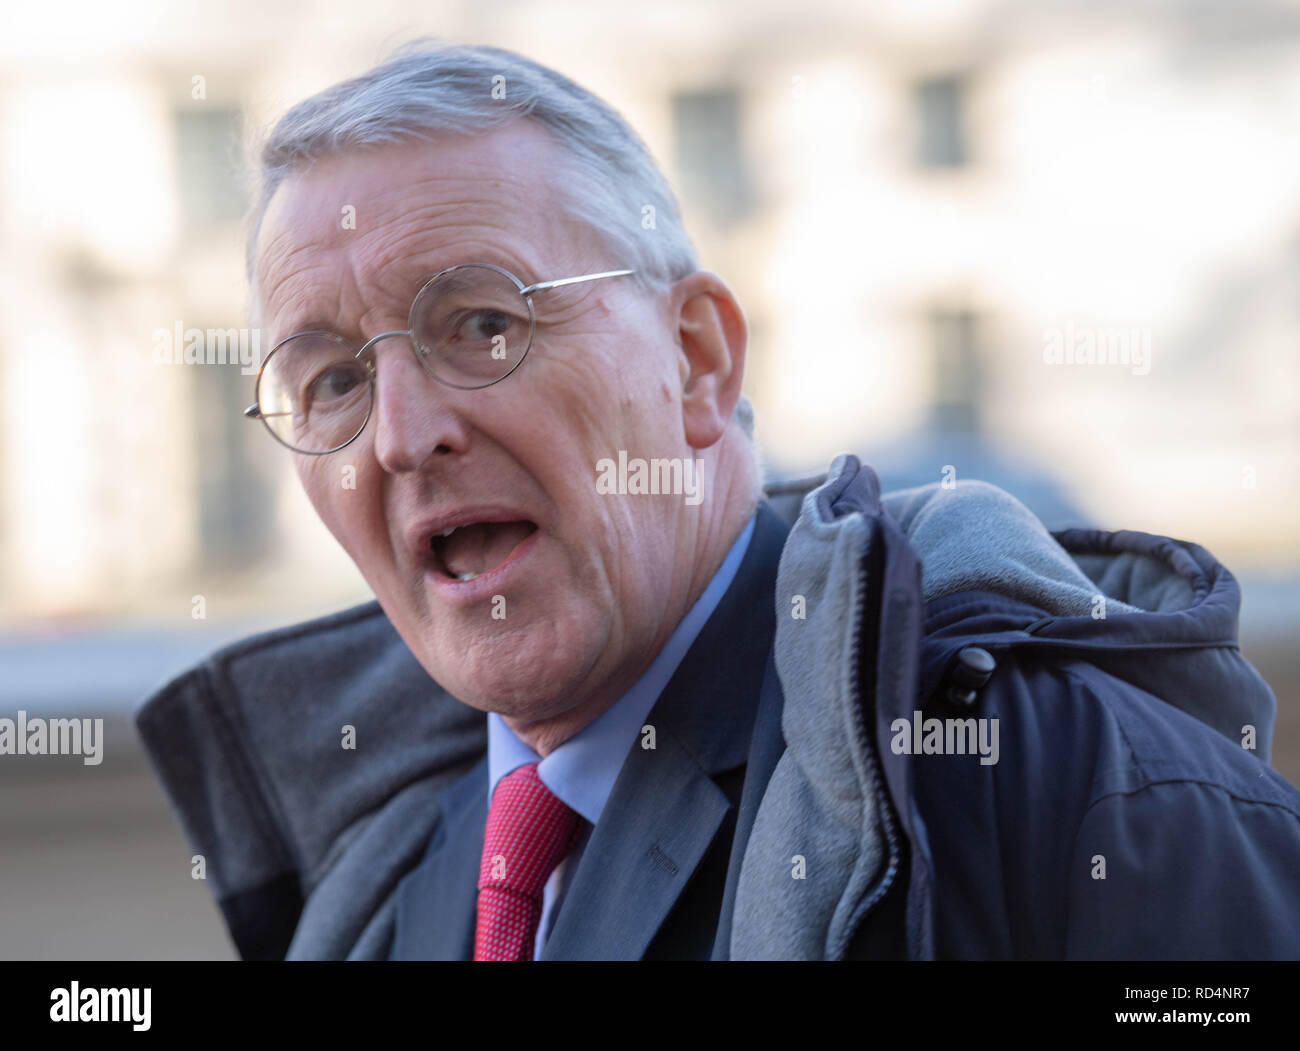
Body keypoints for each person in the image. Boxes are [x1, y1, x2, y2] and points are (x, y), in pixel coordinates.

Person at [136, 40, 1300, 960]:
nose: (399, 435)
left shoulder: (1069, 790)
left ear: (696, 359)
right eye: (332, 379)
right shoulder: (389, 889)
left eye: (482, 324)